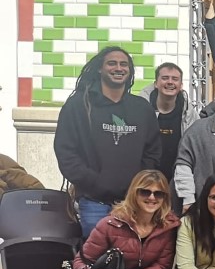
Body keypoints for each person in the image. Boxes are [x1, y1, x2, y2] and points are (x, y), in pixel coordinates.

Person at [54, 46, 162, 237]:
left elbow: (153, 152)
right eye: (112, 63)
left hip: (134, 203)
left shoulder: (141, 108)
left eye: (124, 64)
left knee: (131, 261)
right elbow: (66, 152)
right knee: (97, 260)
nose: (118, 68)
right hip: (94, 202)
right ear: (100, 69)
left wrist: (139, 185)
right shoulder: (79, 105)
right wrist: (94, 182)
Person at [139, 62, 200, 183]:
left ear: (181, 85)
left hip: (177, 181)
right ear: (156, 83)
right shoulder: (140, 110)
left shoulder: (189, 114)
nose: (170, 82)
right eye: (165, 78)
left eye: (175, 79)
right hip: (145, 179)